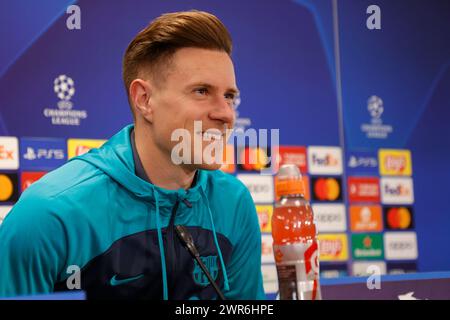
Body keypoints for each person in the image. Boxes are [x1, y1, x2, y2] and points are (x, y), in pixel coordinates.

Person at [0, 10, 265, 300]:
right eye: (202, 91)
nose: (226, 113)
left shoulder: (234, 202)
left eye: (229, 96)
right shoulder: (49, 214)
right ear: (144, 100)